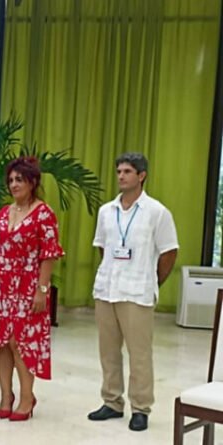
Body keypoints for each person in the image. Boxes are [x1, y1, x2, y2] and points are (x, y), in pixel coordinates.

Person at [87, 152, 178, 432]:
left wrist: (152, 281)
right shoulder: (106, 211)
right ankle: (112, 402)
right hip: (107, 289)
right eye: (118, 171)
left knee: (139, 355)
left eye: (127, 171)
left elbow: (169, 253)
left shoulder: (157, 212)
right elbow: (103, 247)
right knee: (108, 351)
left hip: (137, 293)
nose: (121, 176)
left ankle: (140, 408)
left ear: (141, 175)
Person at [0, 156, 63, 422]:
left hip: (28, 284)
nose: (14, 184)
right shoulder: (4, 212)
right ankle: (6, 395)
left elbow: (49, 254)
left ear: (33, 182)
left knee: (20, 342)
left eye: (20, 180)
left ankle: (27, 397)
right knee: (1, 342)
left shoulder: (44, 213)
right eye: (11, 180)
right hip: (1, 284)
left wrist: (42, 290)